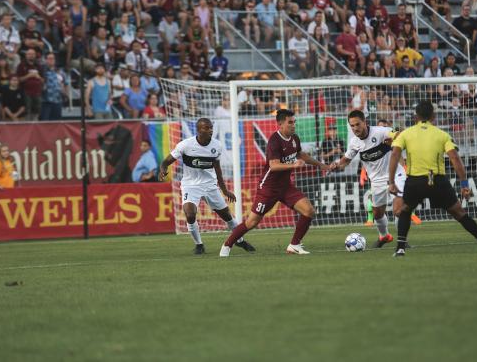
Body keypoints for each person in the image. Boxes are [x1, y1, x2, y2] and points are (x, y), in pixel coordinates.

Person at [388, 100, 477, 256]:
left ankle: (400, 248)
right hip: (437, 180)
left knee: (405, 211)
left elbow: (395, 154)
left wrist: (392, 181)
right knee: (459, 213)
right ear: (434, 116)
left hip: (415, 181)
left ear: (416, 117)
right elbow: (455, 158)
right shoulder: (442, 134)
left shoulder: (405, 134)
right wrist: (464, 184)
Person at [220, 109, 330, 257]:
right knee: (252, 222)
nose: (293, 125)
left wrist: (320, 165)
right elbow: (274, 165)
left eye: (294, 122)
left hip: (285, 187)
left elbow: (301, 155)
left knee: (309, 210)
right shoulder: (274, 141)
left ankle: (294, 245)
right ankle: (227, 245)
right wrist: (294, 165)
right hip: (268, 188)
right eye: (290, 122)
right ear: (280, 124)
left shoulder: (294, 138)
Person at [159, 118, 256, 255]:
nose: (210, 130)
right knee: (190, 213)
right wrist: (163, 169)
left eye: (211, 127)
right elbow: (166, 161)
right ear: (198, 130)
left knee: (227, 216)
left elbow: (217, 169)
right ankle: (199, 245)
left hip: (209, 185)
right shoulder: (185, 145)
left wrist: (224, 190)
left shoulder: (216, 146)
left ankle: (240, 241)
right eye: (206, 128)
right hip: (190, 185)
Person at [331, 110, 407, 248]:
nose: (355, 128)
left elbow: (400, 133)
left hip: (396, 175)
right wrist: (336, 165)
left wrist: (393, 139)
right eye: (352, 126)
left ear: (365, 122)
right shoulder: (354, 143)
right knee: (377, 214)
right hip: (377, 181)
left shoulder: (380, 132)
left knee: (398, 210)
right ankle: (384, 236)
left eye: (357, 124)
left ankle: (402, 240)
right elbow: (345, 160)